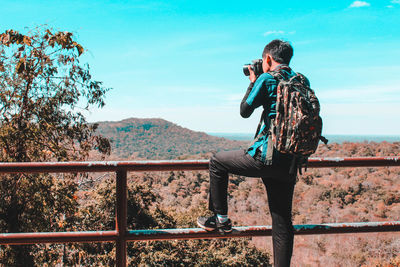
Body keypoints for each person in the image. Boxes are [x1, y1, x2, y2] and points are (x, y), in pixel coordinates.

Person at [197, 39, 305, 267]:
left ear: (268, 59)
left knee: (217, 161)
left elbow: (244, 110)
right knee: (282, 222)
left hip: (266, 157)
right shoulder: (300, 80)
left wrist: (252, 81)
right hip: (290, 162)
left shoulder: (267, 78)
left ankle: (220, 219)